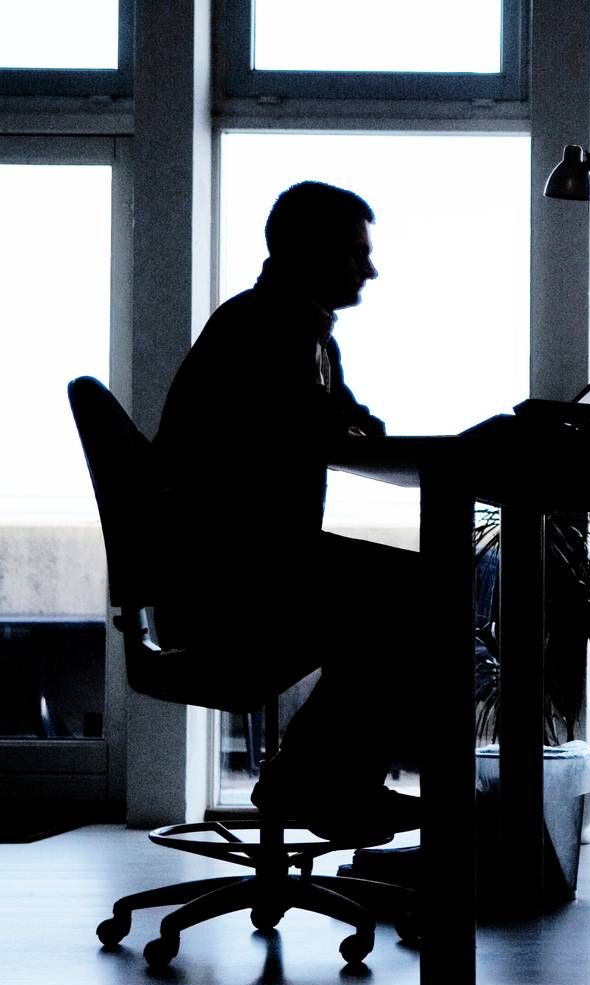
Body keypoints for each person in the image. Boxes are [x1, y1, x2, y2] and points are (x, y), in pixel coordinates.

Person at [154, 180, 423, 840]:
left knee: (406, 591)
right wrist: (352, 425)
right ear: (312, 251)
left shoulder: (296, 332)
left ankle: (319, 776)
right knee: (417, 592)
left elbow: (348, 423)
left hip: (239, 567)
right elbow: (328, 428)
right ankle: (321, 780)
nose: (371, 268)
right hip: (235, 579)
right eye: (357, 253)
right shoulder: (268, 330)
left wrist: (353, 423)